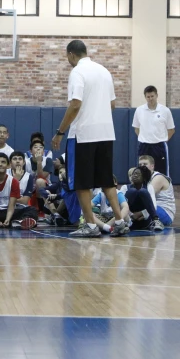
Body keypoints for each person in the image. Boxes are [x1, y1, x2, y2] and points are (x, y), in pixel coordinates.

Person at [50, 39, 128, 238]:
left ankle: (91, 226)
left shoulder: (77, 72)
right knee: (106, 180)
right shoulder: (104, 71)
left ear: (71, 54)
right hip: (105, 134)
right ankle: (120, 221)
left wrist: (60, 131)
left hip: (83, 135)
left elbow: (75, 104)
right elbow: (112, 104)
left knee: (81, 183)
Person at [0, 152, 38, 229]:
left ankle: (14, 222)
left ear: (8, 165)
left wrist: (8, 219)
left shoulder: (14, 181)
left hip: (9, 210)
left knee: (32, 210)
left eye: (3, 162)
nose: (0, 164)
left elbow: (12, 205)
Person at [132, 85, 175, 177]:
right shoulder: (139, 110)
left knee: (161, 172)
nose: (150, 99)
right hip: (144, 145)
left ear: (156, 95)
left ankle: (163, 191)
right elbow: (136, 128)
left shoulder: (165, 110)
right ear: (145, 97)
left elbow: (171, 130)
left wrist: (162, 140)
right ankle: (143, 191)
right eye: (148, 97)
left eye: (152, 96)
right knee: (142, 172)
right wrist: (145, 138)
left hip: (159, 146)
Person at [119, 166, 163, 232]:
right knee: (132, 191)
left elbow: (154, 206)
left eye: (137, 174)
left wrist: (141, 213)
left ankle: (156, 220)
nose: (134, 175)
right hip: (129, 220)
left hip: (144, 220)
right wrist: (131, 215)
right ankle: (122, 224)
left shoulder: (149, 187)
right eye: (133, 174)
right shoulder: (125, 187)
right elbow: (120, 205)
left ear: (144, 177)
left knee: (143, 191)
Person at [138, 155, 176, 228]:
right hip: (152, 209)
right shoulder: (144, 178)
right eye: (140, 165)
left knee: (134, 218)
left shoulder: (158, 178)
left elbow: (146, 197)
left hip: (165, 212)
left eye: (145, 164)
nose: (142, 166)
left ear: (152, 166)